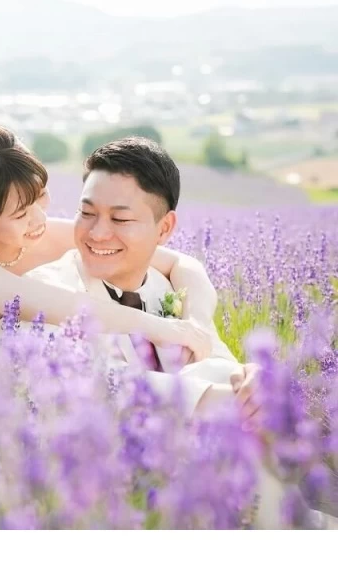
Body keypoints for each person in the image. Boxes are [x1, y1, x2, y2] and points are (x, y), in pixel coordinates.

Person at [23, 136, 335, 529]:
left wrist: (251, 381)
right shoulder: (46, 295)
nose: (97, 233)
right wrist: (221, 401)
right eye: (86, 214)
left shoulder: (166, 288)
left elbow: (213, 355)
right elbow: (94, 387)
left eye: (119, 219)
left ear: (164, 228)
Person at [0, 125, 217, 410]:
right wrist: (163, 329)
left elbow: (181, 263)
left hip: (47, 389)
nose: (39, 219)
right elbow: (22, 299)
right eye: (21, 213)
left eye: (40, 196)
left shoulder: (48, 233)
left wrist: (196, 326)